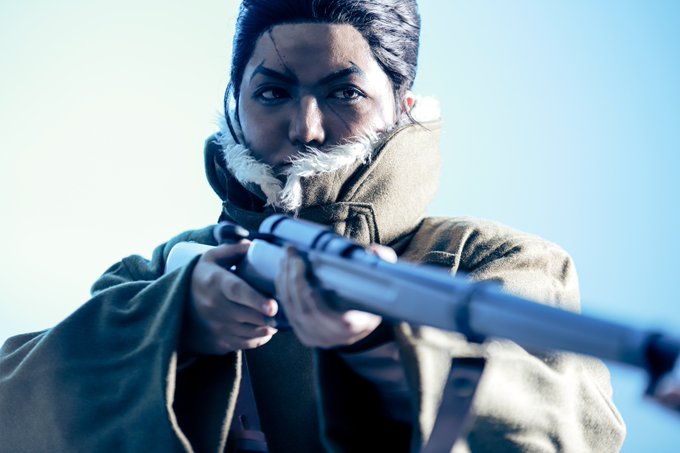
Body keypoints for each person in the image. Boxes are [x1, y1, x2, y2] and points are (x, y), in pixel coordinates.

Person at [0, 0, 626, 451]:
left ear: (403, 107)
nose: (305, 128)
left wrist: (384, 343)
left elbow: (562, 432)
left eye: (343, 93)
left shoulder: (494, 260)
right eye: (272, 93)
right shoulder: (159, 273)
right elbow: (20, 411)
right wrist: (174, 324)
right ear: (234, 104)